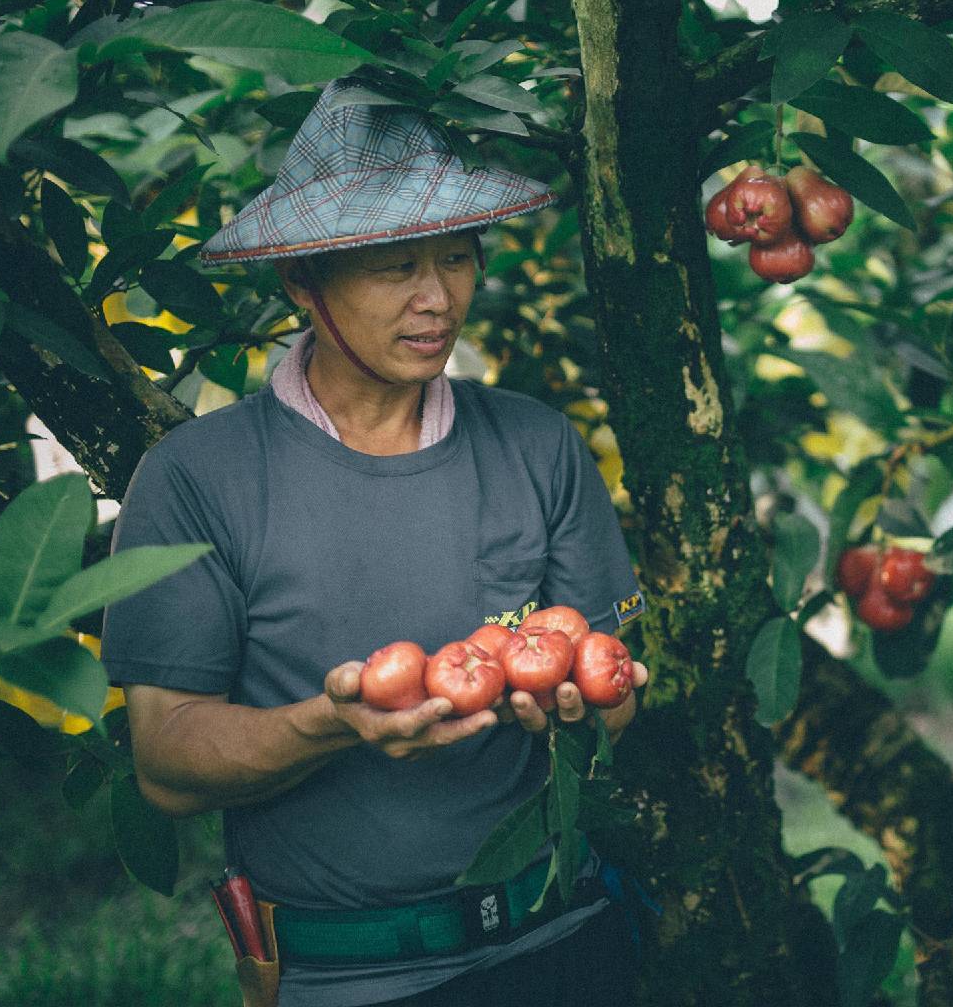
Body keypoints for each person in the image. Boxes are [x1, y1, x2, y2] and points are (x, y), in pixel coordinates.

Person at [101, 80, 649, 1007]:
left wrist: (591, 701)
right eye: (394, 266)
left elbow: (620, 689)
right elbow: (166, 765)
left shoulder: (536, 445)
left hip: (564, 940)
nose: (437, 299)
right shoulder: (200, 477)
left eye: (458, 258)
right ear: (302, 282)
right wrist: (329, 723)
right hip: (350, 975)